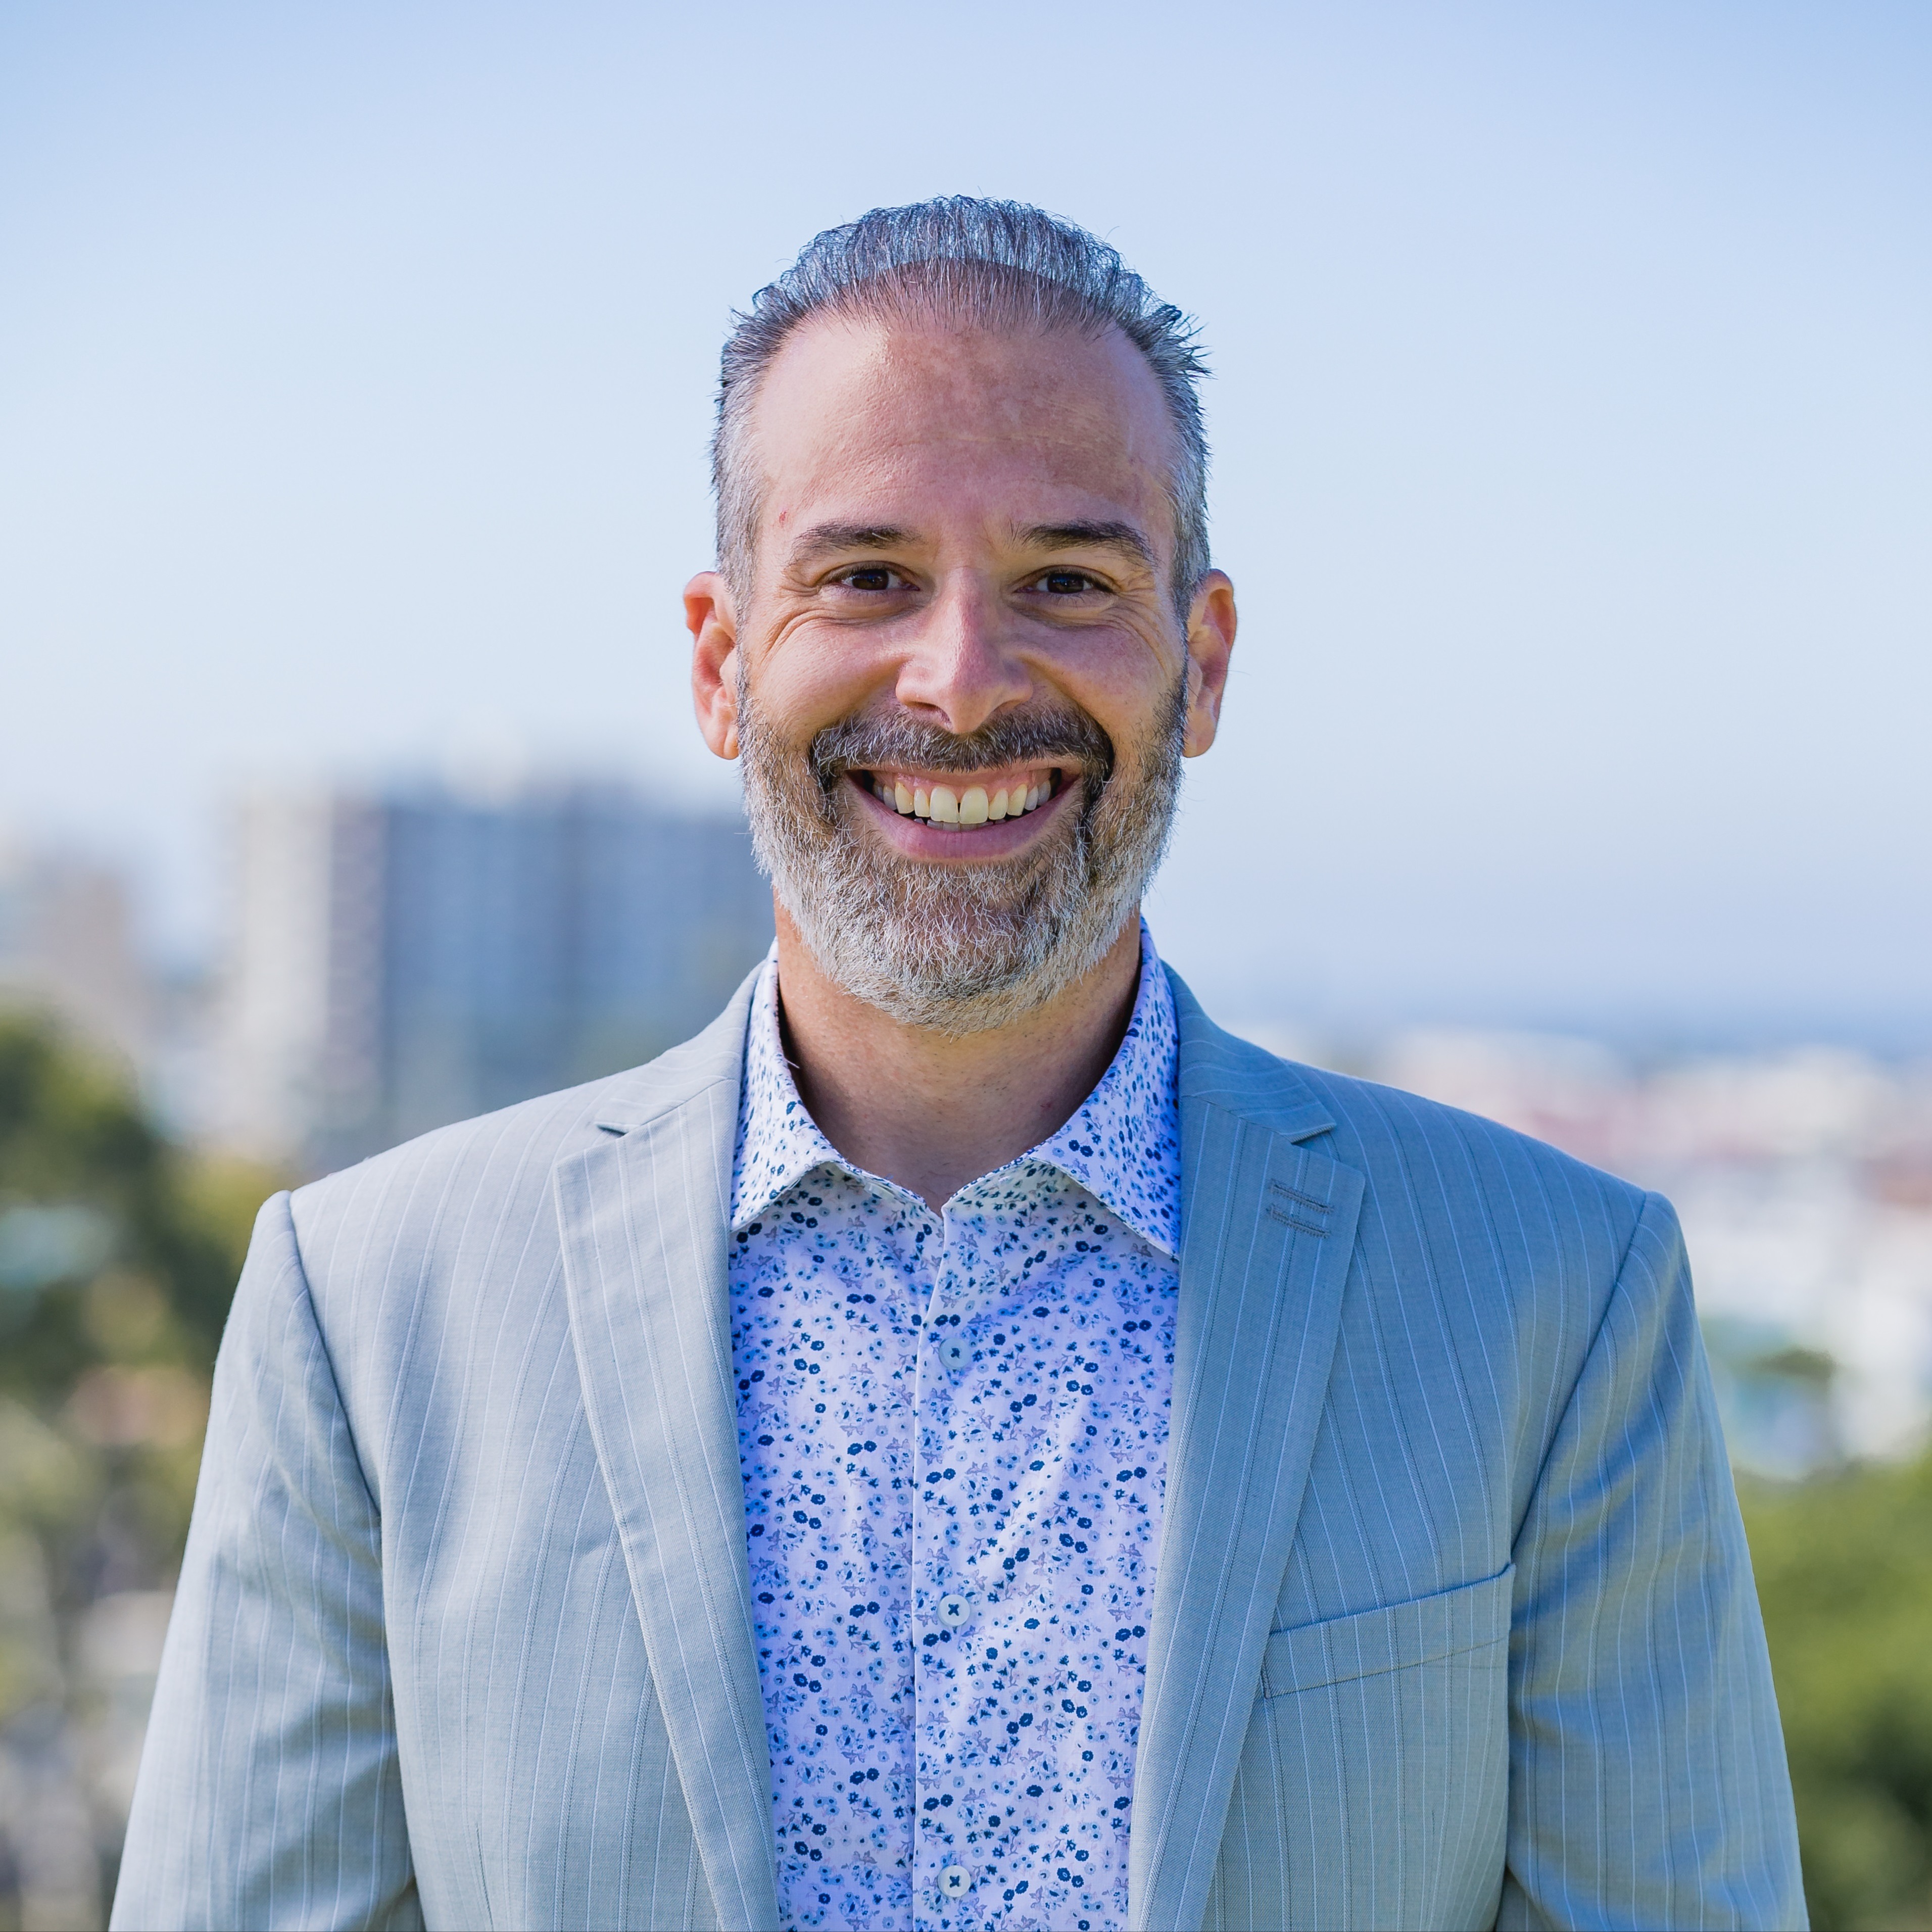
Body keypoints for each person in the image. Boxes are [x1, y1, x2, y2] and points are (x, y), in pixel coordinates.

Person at [114, 198, 1805, 1932]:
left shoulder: (1553, 1298)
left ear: (1200, 662)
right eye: (867, 578)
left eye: (1068, 581)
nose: (962, 681)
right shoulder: (371, 1309)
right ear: (719, 659)